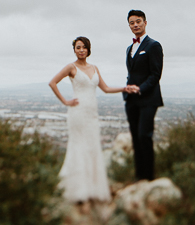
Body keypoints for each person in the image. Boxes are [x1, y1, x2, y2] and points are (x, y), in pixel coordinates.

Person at [49, 36, 133, 203]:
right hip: (78, 113)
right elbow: (52, 82)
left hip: (92, 113)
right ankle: (77, 190)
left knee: (92, 146)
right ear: (74, 50)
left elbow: (106, 89)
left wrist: (124, 88)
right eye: (78, 47)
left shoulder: (94, 68)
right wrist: (65, 101)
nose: (81, 50)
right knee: (79, 146)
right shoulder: (71, 67)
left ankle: (91, 188)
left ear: (88, 49)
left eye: (84, 47)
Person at [123, 9, 164, 181]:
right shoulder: (129, 48)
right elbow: (132, 73)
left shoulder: (153, 45)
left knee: (144, 136)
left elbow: (155, 75)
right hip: (131, 100)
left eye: (138, 21)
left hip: (148, 98)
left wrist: (140, 89)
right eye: (132, 22)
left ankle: (149, 177)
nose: (135, 25)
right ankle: (139, 176)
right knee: (135, 138)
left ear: (145, 23)